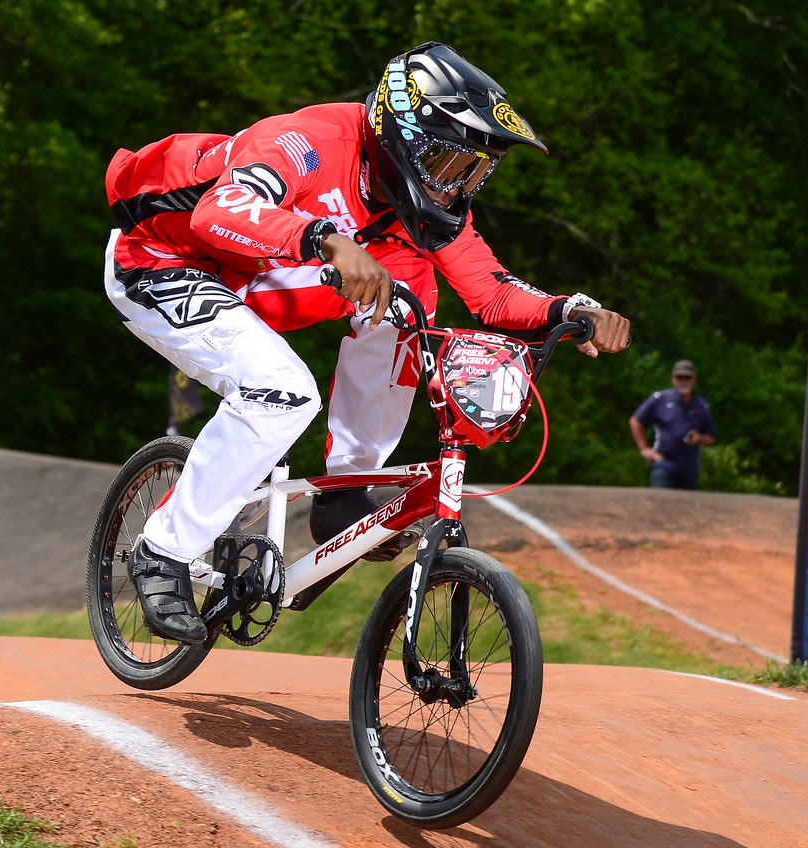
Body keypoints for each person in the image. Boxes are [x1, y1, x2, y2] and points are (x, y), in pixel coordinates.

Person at [102, 42, 631, 643]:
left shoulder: (426, 212)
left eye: (473, 173)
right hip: (163, 261)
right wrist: (327, 239)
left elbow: (491, 291)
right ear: (401, 134)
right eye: (447, 164)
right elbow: (219, 212)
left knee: (412, 300)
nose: (455, 189)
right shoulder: (307, 141)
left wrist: (572, 309)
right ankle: (162, 552)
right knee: (284, 393)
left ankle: (348, 487)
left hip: (264, 277)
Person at [629, 359, 717, 490]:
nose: (683, 381)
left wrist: (699, 438)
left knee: (687, 503)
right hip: (663, 463)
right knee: (661, 500)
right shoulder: (660, 399)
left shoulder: (702, 405)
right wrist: (644, 449)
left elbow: (711, 436)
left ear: (694, 379)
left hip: (689, 468)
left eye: (687, 378)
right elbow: (635, 420)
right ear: (673, 378)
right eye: (679, 377)